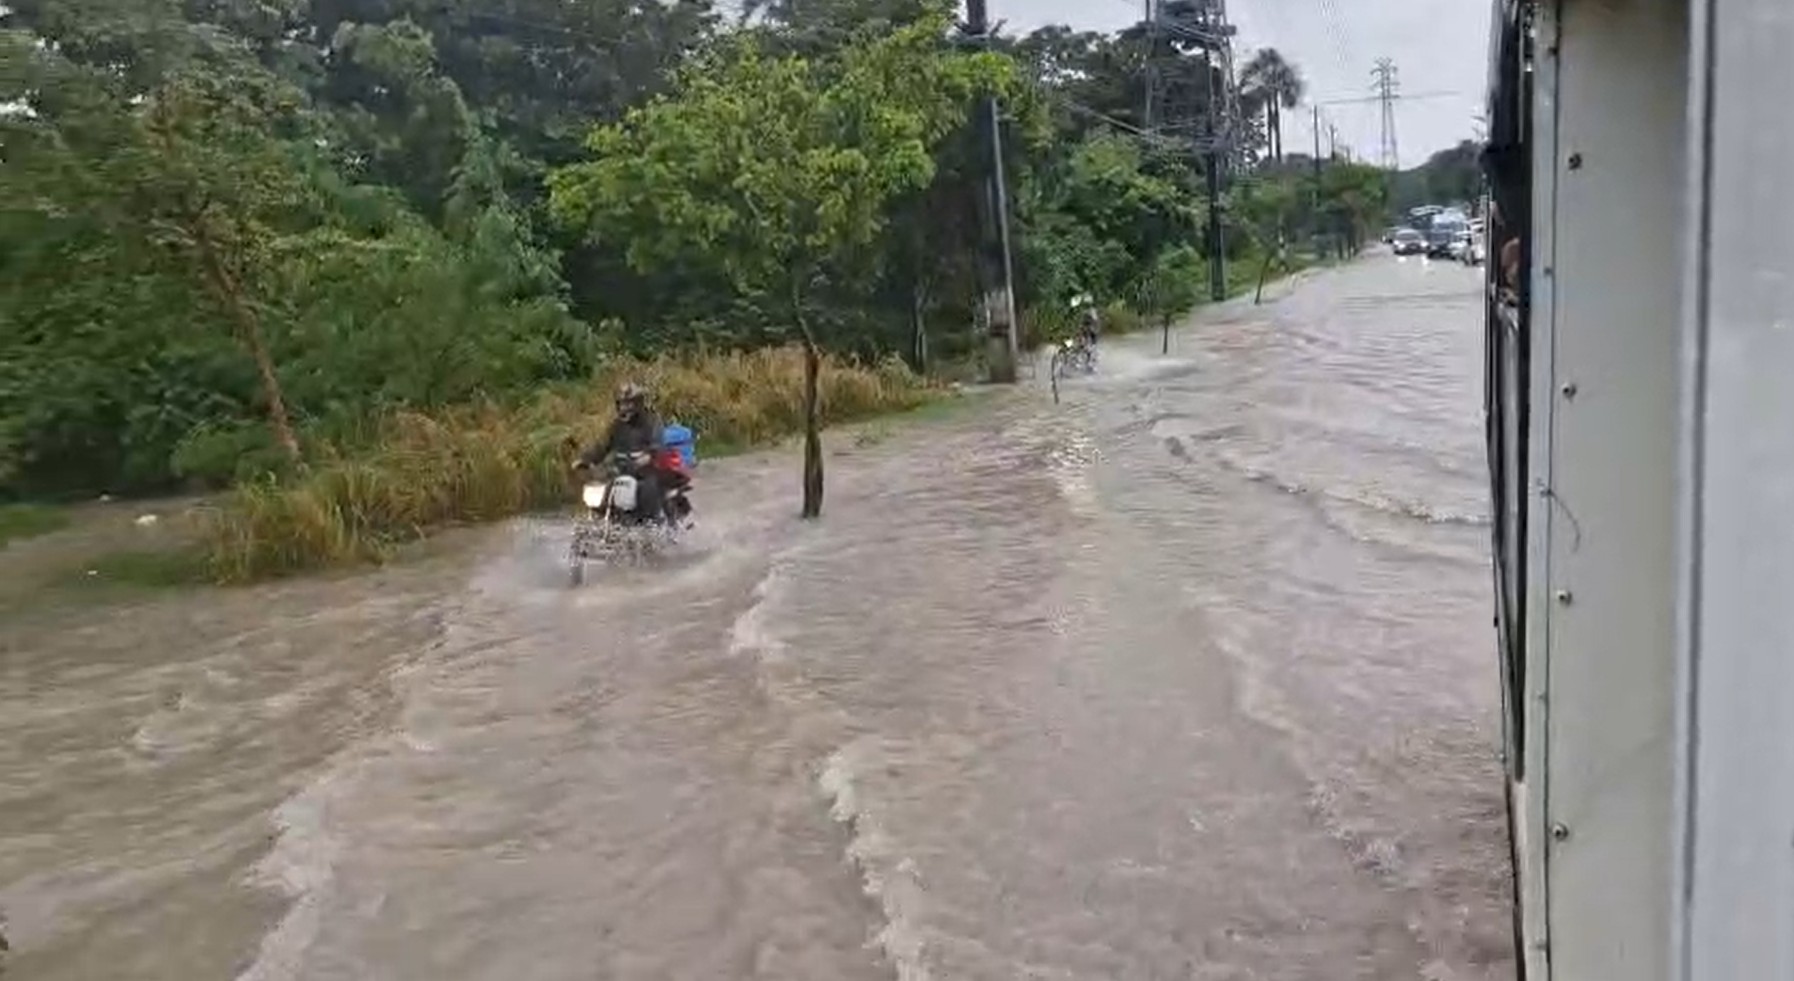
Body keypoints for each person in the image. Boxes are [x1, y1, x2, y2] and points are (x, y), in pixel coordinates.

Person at [577, 382, 670, 521]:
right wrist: (585, 459)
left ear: (638, 404)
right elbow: (602, 446)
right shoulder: (617, 426)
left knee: (648, 491)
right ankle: (601, 518)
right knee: (602, 493)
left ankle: (651, 526)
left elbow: (658, 445)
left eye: (629, 404)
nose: (624, 408)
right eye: (621, 404)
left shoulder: (652, 422)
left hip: (646, 472)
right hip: (621, 470)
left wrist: (648, 456)